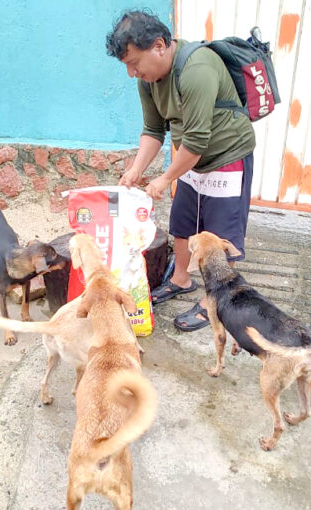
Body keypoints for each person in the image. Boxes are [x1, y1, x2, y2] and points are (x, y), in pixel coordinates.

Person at [106, 10, 255, 331]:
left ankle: (212, 301)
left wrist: (164, 178)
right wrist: (136, 170)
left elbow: (198, 139)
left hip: (227, 155)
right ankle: (181, 278)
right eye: (126, 65)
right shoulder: (148, 81)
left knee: (219, 235)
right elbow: (153, 129)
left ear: (159, 46)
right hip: (190, 158)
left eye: (134, 62)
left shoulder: (197, 68)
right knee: (184, 222)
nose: (132, 72)